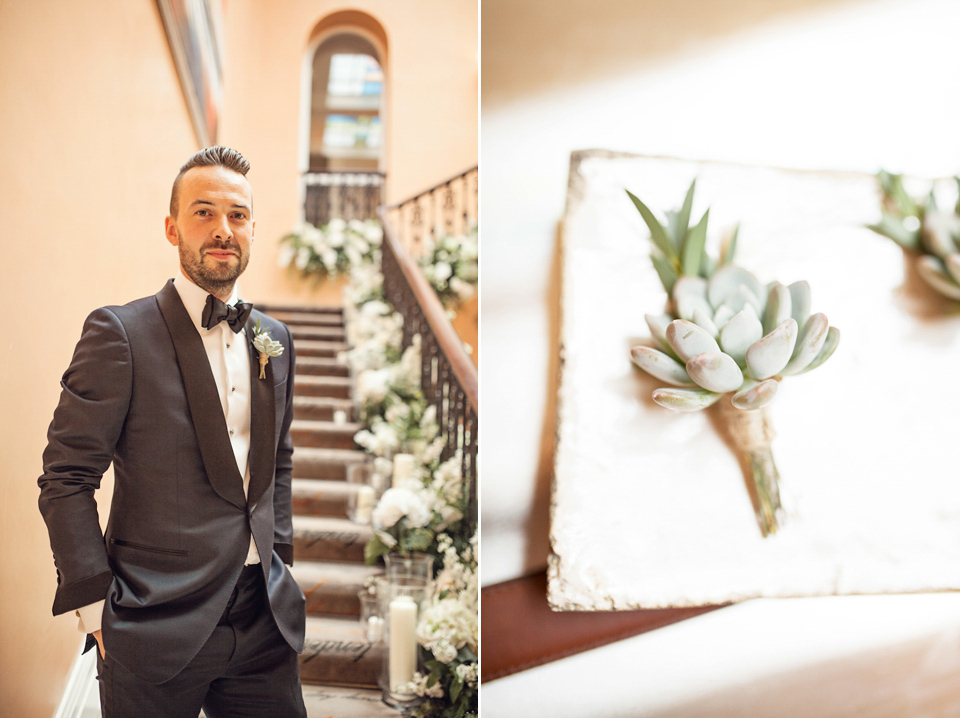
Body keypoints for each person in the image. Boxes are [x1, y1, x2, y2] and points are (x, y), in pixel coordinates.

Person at [38, 146, 307, 717]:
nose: (222, 229)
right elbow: (67, 476)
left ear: (254, 230)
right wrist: (93, 604)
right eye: (203, 212)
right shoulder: (120, 334)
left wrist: (280, 559)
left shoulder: (274, 338)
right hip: (153, 623)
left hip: (264, 623)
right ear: (172, 227)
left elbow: (277, 463)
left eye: (237, 215)